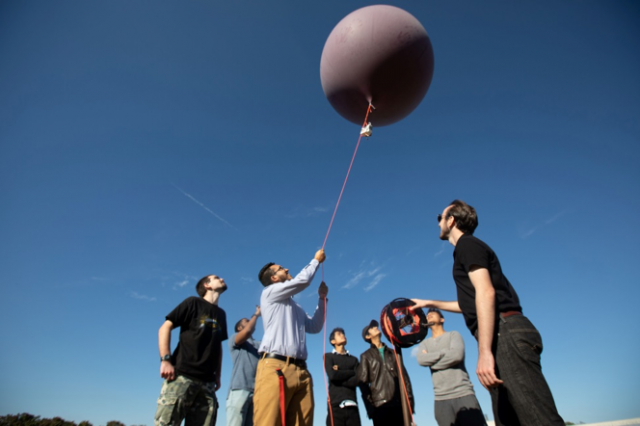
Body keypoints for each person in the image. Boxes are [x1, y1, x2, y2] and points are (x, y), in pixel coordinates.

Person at [412, 199, 564, 426]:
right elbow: (471, 303)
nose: (438, 223)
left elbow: (486, 292)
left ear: (451, 220)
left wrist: (484, 352)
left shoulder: (467, 245)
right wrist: (428, 302)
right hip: (501, 334)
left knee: (538, 418)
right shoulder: (465, 250)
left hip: (506, 332)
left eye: (440, 218)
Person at [253, 249, 328, 426]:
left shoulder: (298, 308)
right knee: (269, 422)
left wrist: (322, 299)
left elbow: (315, 327)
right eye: (281, 269)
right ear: (274, 278)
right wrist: (315, 261)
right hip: (275, 368)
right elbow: (302, 281)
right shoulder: (269, 293)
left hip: (302, 372)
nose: (286, 269)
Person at [154, 274, 229, 426]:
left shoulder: (221, 314)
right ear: (207, 285)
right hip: (182, 376)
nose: (222, 278)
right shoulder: (192, 302)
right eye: (216, 277)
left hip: (207, 383)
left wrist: (218, 375)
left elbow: (218, 345)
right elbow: (165, 328)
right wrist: (166, 360)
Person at [416, 308, 486, 426]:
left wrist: (432, 361)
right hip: (440, 399)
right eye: (428, 314)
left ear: (442, 319)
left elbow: (457, 356)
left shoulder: (453, 335)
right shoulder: (424, 343)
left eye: (433, 313)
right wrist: (444, 353)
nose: (429, 315)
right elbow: (421, 360)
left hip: (463, 393)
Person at [356, 320, 414, 426]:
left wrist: (409, 405)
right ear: (368, 336)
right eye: (372, 327)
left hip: (399, 405)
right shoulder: (365, 356)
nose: (375, 327)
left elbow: (405, 378)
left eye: (375, 326)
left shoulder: (393, 352)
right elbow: (363, 384)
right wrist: (371, 409)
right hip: (380, 407)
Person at [226, 306, 262, 426]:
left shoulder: (258, 345)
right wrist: (256, 315)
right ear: (239, 328)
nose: (250, 322)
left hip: (256, 392)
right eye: (247, 321)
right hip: (239, 390)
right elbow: (247, 331)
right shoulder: (234, 339)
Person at [324, 328, 362, 426]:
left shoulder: (354, 360)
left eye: (343, 333)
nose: (342, 335)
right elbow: (332, 376)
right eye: (339, 334)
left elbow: (357, 380)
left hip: (353, 406)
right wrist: (352, 372)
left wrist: (339, 372)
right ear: (333, 341)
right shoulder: (328, 357)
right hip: (335, 406)